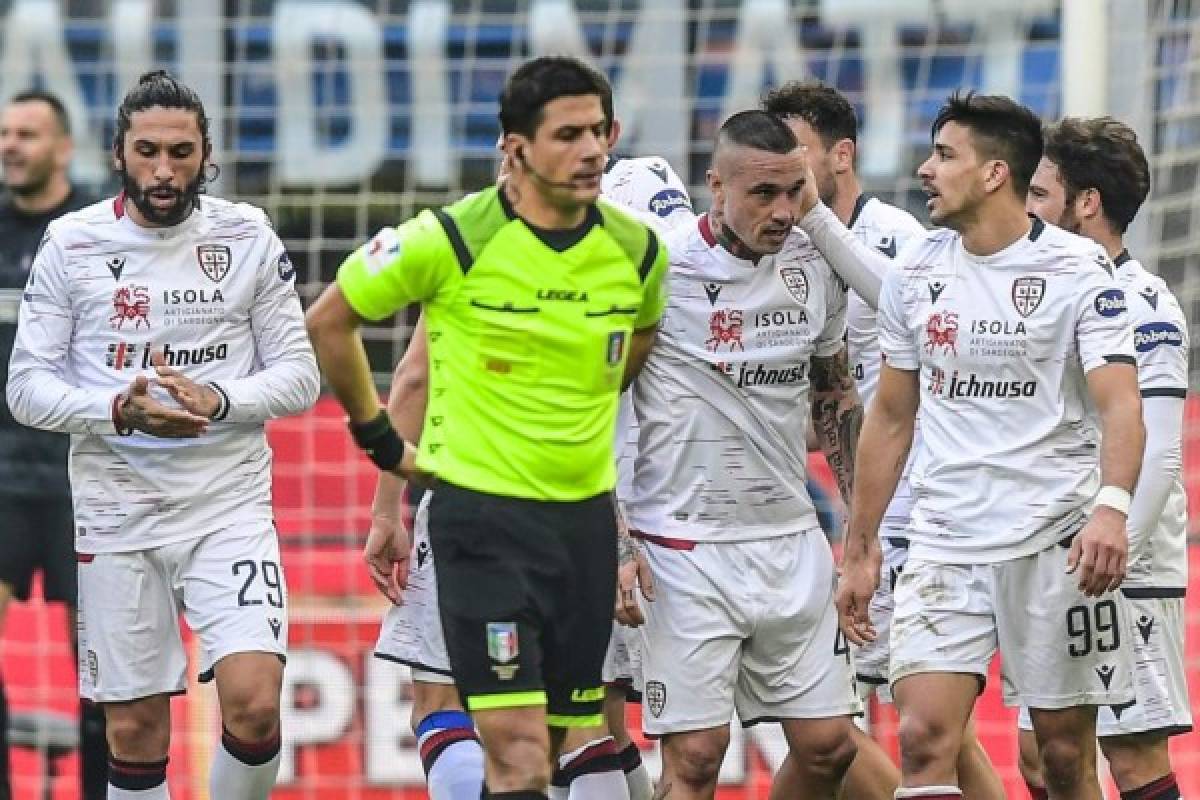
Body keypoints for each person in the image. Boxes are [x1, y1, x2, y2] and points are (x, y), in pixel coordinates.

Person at [305, 56, 669, 799]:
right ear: (516, 148)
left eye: (599, 132)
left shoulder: (639, 253)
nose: (591, 150)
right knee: (515, 752)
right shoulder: (453, 238)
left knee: (567, 744)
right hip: (482, 523)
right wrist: (380, 444)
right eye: (568, 134)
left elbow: (633, 352)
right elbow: (330, 321)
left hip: (584, 529)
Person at [6, 70, 320, 800]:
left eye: (182, 152)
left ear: (206, 153)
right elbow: (26, 388)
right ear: (119, 152)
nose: (164, 170)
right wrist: (118, 411)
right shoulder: (72, 244)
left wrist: (217, 398)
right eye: (147, 151)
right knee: (135, 732)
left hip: (227, 506)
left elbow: (300, 374)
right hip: (119, 512)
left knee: (252, 700)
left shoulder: (246, 235)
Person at [837, 91, 1145, 800]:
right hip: (945, 539)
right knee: (922, 741)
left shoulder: (1077, 272)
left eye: (945, 155)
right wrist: (859, 548)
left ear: (995, 173)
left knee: (1063, 758)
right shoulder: (916, 274)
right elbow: (890, 417)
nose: (925, 169)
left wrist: (1112, 508)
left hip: (1055, 541)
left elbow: (1120, 403)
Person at [761, 80, 1004, 800]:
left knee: (864, 724)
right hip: (845, 511)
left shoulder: (895, 235)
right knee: (881, 724)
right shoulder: (774, 245)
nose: (784, 168)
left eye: (796, 151)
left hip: (913, 511)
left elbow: (910, 312)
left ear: (840, 154)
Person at [622, 109, 861, 800]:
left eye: (795, 190)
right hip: (682, 546)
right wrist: (613, 542)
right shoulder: (658, 267)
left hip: (791, 541)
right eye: (763, 194)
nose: (783, 211)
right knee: (697, 758)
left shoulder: (817, 267)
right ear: (715, 186)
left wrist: (861, 531)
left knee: (830, 747)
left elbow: (835, 397)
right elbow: (597, 407)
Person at [1020, 116, 1191, 800]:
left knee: (1133, 758)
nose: (1027, 208)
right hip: (1060, 559)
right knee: (1045, 757)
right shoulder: (1055, 296)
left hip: (1125, 568)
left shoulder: (1147, 305)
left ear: (1085, 203)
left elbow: (1163, 449)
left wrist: (1117, 546)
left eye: (1039, 192)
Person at [0, 88, 106, 800]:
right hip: (2, 481)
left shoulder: (98, 230)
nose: (10, 144)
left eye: (27, 133)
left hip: (83, 479)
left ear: (64, 147)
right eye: (4, 133)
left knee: (103, 668)